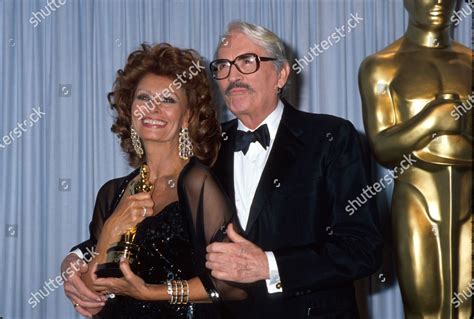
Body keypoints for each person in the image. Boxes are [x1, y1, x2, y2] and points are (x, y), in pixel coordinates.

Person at [204, 21, 383, 318]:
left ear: (281, 74)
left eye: (247, 61)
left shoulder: (331, 136)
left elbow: (363, 249)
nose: (232, 75)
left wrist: (270, 265)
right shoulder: (206, 147)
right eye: (222, 66)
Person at [61, 43, 244, 319]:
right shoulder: (112, 193)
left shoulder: (198, 183)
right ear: (129, 110)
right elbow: (91, 293)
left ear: (188, 117)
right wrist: (109, 232)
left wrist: (151, 292)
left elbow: (233, 286)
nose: (153, 108)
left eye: (169, 100)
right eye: (144, 98)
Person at [358, 0, 472, 317]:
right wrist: (433, 121)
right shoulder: (381, 67)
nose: (438, 2)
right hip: (416, 194)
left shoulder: (470, 63)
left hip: (468, 194)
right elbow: (382, 147)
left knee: (466, 307)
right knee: (426, 308)